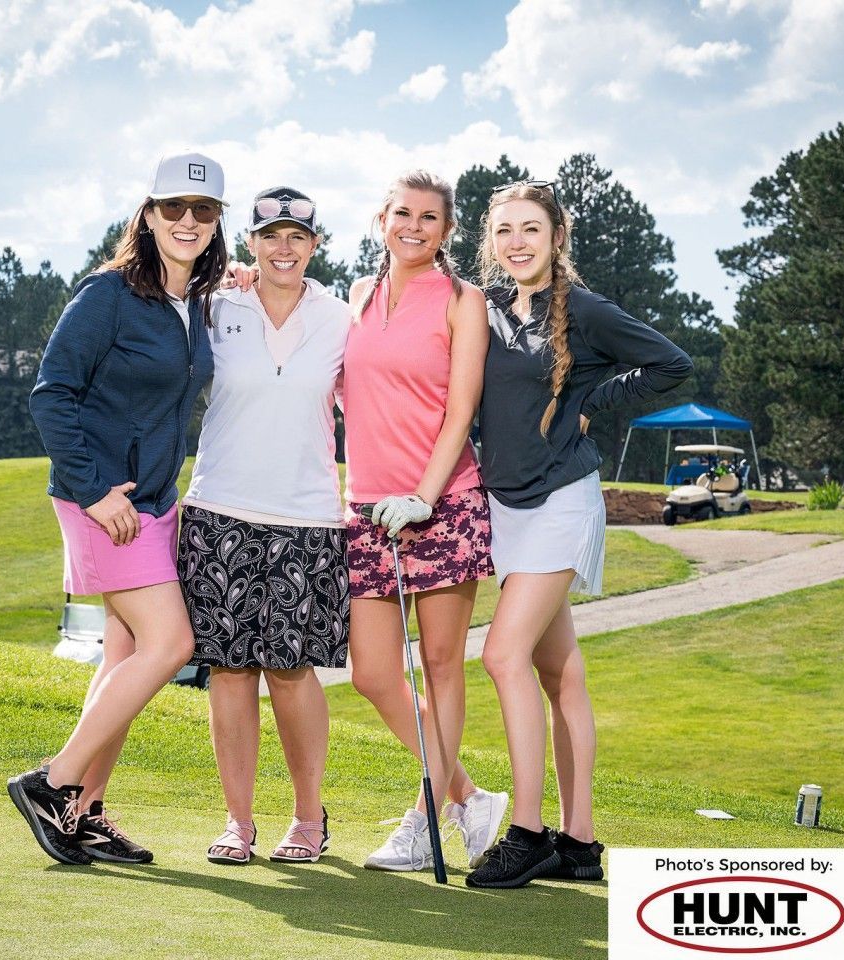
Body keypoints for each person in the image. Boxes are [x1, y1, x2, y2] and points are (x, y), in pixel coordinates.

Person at [465, 180, 692, 888]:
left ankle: (528, 831)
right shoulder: (485, 307)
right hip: (507, 504)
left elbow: (671, 364)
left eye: (530, 228)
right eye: (505, 230)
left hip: (562, 499)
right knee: (558, 671)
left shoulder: (585, 311)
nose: (517, 242)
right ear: (491, 241)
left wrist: (595, 403)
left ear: (556, 235)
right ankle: (580, 843)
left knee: (503, 657)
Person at [11, 151, 226, 865]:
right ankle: (52, 782)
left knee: (126, 653)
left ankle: (83, 811)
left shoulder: (193, 301)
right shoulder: (107, 294)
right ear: (148, 213)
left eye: (202, 210)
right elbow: (51, 393)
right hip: (102, 502)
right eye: (173, 208)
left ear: (215, 220)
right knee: (172, 644)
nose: (186, 221)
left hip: (152, 503)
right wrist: (94, 489)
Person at [180, 187, 351, 866]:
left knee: (289, 670)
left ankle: (309, 821)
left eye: (298, 237)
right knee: (228, 672)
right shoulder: (216, 307)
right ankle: (238, 822)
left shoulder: (342, 318)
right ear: (250, 241)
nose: (284, 248)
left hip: (306, 515)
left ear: (314, 245)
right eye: (271, 235)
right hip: (219, 508)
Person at [343, 170, 508, 872]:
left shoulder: (463, 301)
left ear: (446, 231)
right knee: (372, 673)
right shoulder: (357, 295)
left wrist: (424, 494)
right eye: (402, 213)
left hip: (444, 505)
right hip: (366, 508)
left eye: (429, 217)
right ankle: (466, 795)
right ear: (381, 220)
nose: (413, 225)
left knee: (441, 667)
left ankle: (423, 817)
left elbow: (461, 408)